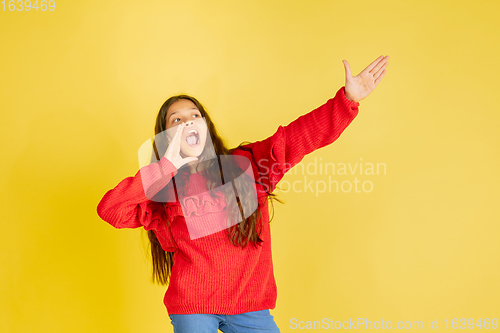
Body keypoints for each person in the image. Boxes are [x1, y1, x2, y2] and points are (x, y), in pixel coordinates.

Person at [96, 55, 389, 333]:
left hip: (249, 306)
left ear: (206, 126)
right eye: (176, 120)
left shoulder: (246, 165)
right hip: (193, 305)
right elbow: (110, 209)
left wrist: (346, 101)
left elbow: (297, 138)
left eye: (194, 115)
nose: (187, 122)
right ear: (165, 136)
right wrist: (166, 167)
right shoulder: (161, 188)